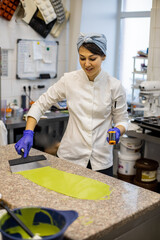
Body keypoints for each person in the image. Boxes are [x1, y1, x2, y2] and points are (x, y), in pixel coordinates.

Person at [15, 33, 129, 177]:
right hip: (70, 157)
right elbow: (40, 104)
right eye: (82, 58)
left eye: (92, 58)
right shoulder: (69, 80)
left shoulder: (115, 86)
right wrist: (28, 132)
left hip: (101, 161)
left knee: (100, 199)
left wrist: (118, 130)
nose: (86, 64)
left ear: (103, 56)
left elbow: (122, 120)